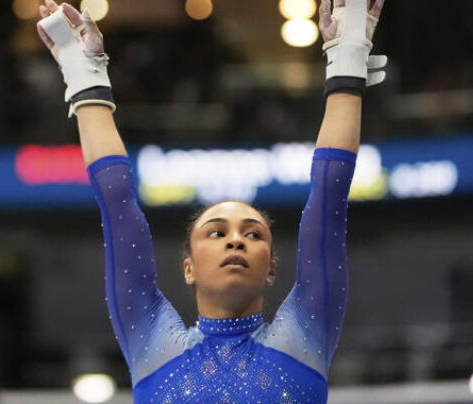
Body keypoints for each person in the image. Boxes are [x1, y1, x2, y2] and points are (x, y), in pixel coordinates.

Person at [36, 0, 386, 401]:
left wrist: (347, 61)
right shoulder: (152, 342)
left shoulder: (306, 331)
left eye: (253, 235)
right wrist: (85, 77)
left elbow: (330, 195)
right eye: (216, 232)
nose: (235, 240)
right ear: (188, 268)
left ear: (272, 269)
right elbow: (116, 204)